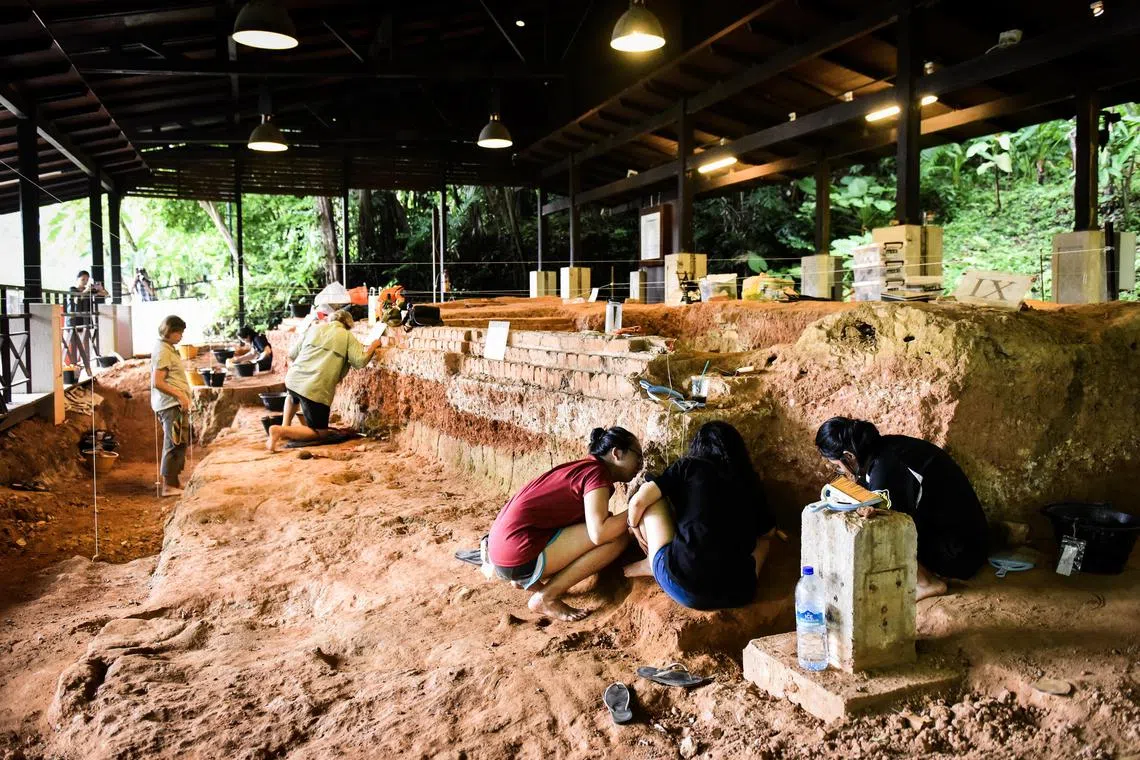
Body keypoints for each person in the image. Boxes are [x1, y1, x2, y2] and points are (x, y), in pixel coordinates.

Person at [815, 417, 989, 600]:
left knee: (878, 532)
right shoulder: (881, 449)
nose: (842, 472)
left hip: (961, 553)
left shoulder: (887, 467)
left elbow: (893, 525)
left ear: (849, 456)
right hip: (962, 534)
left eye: (838, 467)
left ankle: (926, 584)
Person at [486, 426, 642, 622]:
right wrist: (638, 504)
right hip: (517, 554)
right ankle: (546, 597)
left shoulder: (582, 468)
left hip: (500, 551)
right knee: (617, 538)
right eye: (638, 456)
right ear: (617, 453)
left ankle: (525, 580)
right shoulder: (596, 474)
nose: (641, 464)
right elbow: (600, 532)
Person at [623, 421, 776, 610]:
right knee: (765, 539)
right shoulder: (751, 481)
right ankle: (747, 579)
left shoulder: (688, 466)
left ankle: (653, 562)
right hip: (740, 594)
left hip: (683, 586)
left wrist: (633, 525)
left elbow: (639, 502)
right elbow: (768, 533)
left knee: (652, 495)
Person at [267, 309, 379, 452]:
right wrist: (373, 346)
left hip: (293, 378)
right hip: (314, 388)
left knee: (293, 395)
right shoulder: (346, 336)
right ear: (348, 324)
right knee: (321, 433)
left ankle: (285, 426)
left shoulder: (314, 328)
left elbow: (292, 354)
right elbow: (360, 361)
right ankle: (280, 431)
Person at [150, 315, 192, 497]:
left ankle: (174, 481)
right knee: (173, 442)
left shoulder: (168, 348)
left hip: (174, 403)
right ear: (170, 331)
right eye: (179, 332)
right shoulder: (163, 351)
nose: (181, 336)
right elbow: (157, 382)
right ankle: (167, 486)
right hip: (170, 404)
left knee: (179, 441)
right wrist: (180, 395)